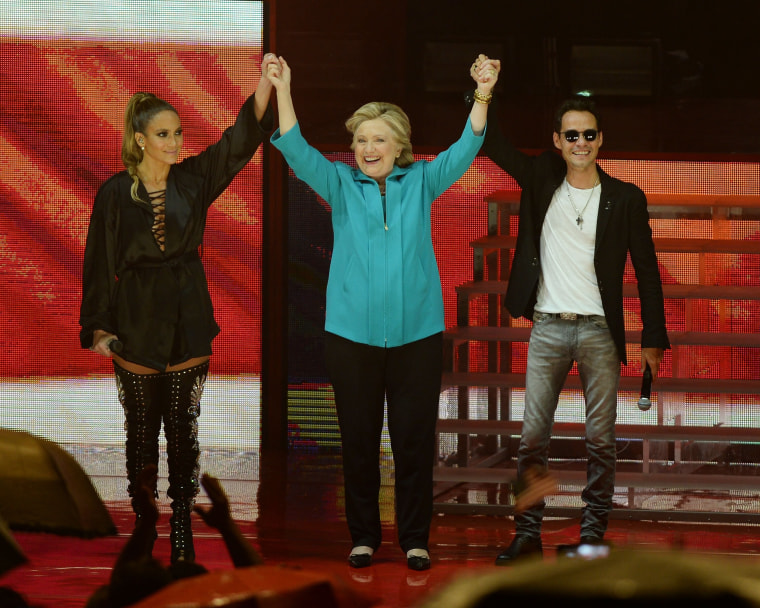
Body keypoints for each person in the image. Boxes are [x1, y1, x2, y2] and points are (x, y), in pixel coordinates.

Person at [266, 54, 498, 571]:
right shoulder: (339, 185)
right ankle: (364, 536)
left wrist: (482, 92)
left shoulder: (423, 182)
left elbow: (468, 145)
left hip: (417, 336)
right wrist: (283, 87)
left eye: (378, 140)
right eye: (361, 141)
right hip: (350, 337)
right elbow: (296, 150)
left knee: (414, 442)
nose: (368, 149)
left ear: (400, 147)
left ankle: (415, 538)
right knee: (359, 442)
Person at [79, 53, 281, 564]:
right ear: (140, 139)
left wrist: (265, 84)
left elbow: (238, 142)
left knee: (184, 429)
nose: (175, 143)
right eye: (164, 135)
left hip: (188, 311)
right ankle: (146, 527)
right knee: (141, 432)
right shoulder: (113, 195)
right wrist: (100, 328)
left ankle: (184, 532)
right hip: (137, 318)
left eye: (178, 133)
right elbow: (99, 265)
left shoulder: (193, 180)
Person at [471, 56, 670, 564]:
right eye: (571, 135)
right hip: (548, 329)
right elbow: (486, 142)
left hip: (601, 332)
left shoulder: (625, 198)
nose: (580, 144)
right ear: (557, 141)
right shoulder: (540, 176)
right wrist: (484, 90)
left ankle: (592, 537)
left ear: (600, 140)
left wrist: (652, 339)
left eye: (589, 135)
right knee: (532, 441)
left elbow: (647, 271)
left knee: (600, 441)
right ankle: (528, 534)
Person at [85, 464, 264, 608]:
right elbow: (264, 589)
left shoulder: (112, 600)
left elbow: (118, 593)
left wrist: (146, 522)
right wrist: (227, 526)